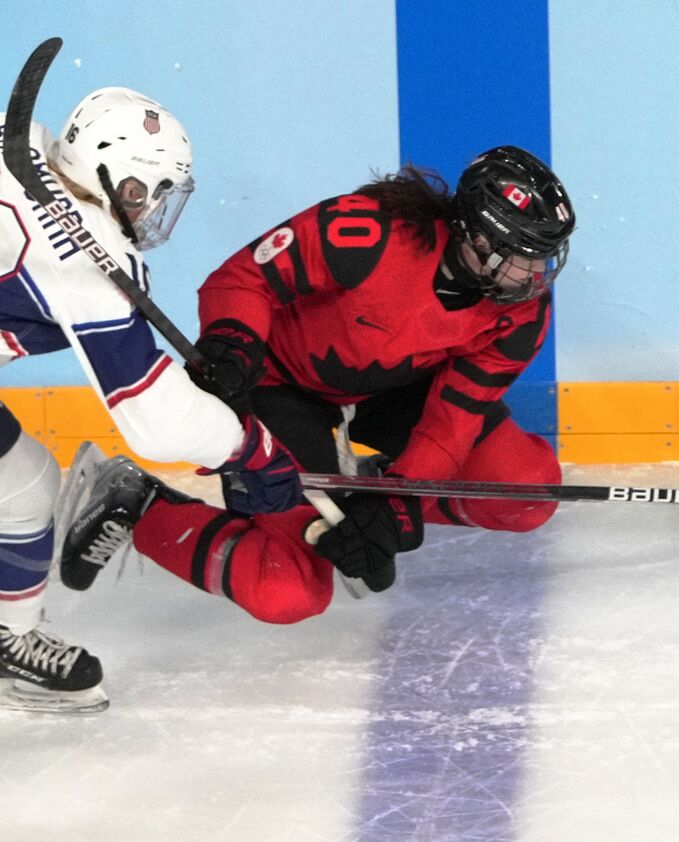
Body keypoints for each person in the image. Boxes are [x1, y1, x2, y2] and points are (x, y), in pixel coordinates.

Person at [58, 147, 576, 622]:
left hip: (389, 390)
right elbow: (240, 280)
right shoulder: (370, 232)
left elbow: (453, 420)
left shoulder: (521, 313)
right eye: (522, 255)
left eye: (543, 257)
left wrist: (398, 501)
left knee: (526, 492)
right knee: (288, 590)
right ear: (476, 236)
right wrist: (232, 344)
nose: (535, 274)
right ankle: (138, 503)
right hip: (279, 387)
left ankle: (361, 483)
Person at [0, 87, 302, 713]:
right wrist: (253, 450)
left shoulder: (18, 140)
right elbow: (155, 420)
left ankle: (9, 635)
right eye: (152, 190)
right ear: (122, 181)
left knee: (25, 484)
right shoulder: (87, 260)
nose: (154, 207)